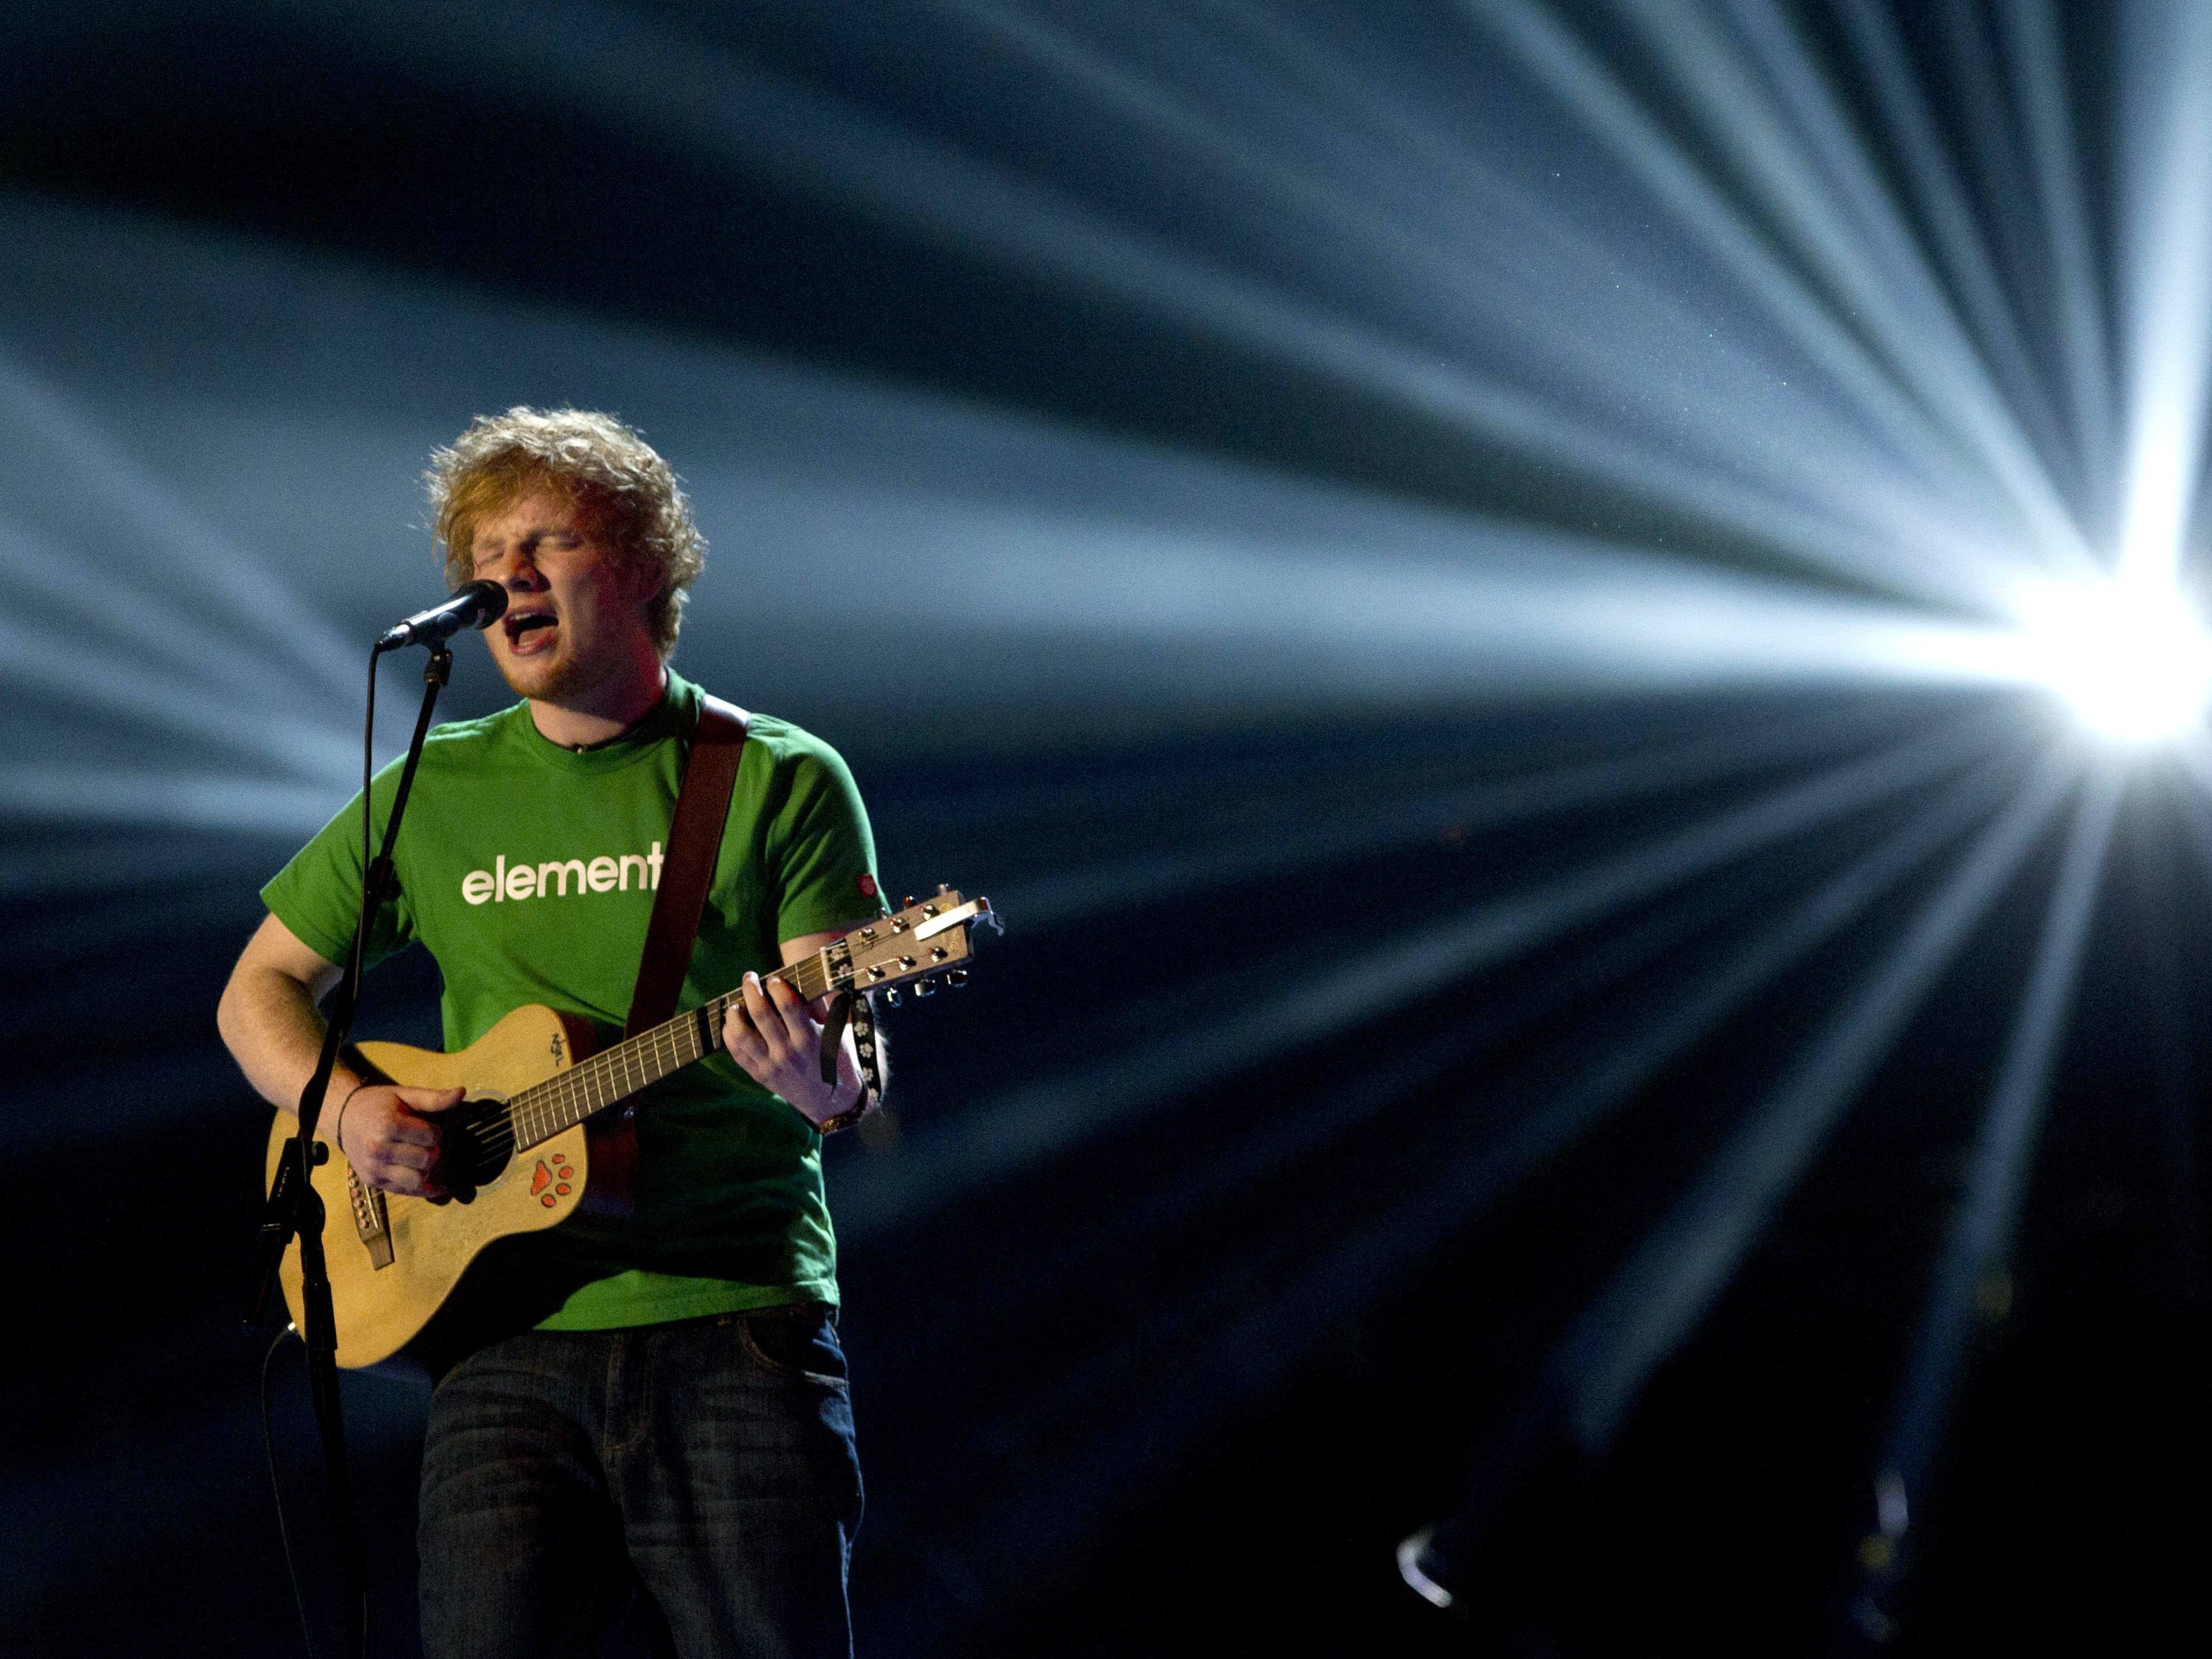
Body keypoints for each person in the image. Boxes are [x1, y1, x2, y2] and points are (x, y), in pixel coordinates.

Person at [217, 407, 882, 1658]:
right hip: (497, 1342)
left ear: (640, 565)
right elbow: (255, 992)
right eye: (484, 549)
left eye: (547, 540)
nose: (504, 574)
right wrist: (353, 1108)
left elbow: (837, 1058)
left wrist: (825, 1080)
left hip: (729, 1324)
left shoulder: (775, 775)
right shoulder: (433, 785)